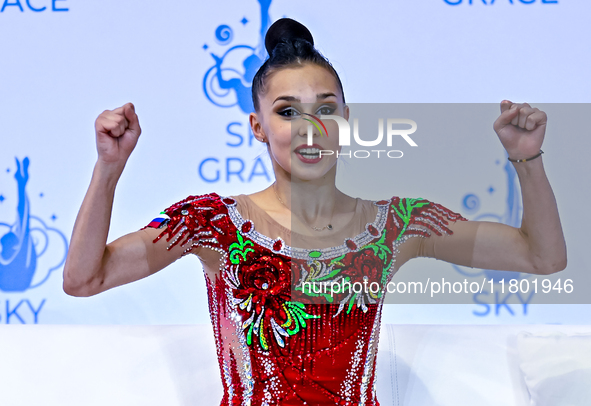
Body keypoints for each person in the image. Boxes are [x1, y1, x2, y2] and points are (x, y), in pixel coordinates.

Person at [63, 18, 567, 406]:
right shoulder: (210, 223)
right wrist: (108, 169)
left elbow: (543, 257)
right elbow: (84, 279)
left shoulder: (398, 225)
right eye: (287, 111)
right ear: (258, 127)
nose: (309, 126)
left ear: (345, 121)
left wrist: (526, 159)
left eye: (325, 108)